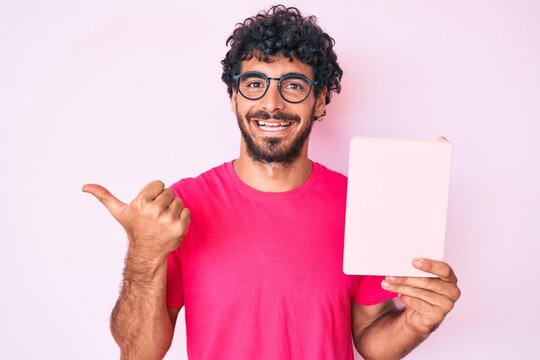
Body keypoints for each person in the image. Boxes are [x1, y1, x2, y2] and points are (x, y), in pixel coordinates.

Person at [83, 5, 461, 360]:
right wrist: (143, 252)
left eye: (294, 85)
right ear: (234, 97)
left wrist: (415, 323)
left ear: (320, 100)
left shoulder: (363, 204)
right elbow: (139, 352)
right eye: (254, 84)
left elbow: (372, 340)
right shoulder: (180, 207)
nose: (272, 103)